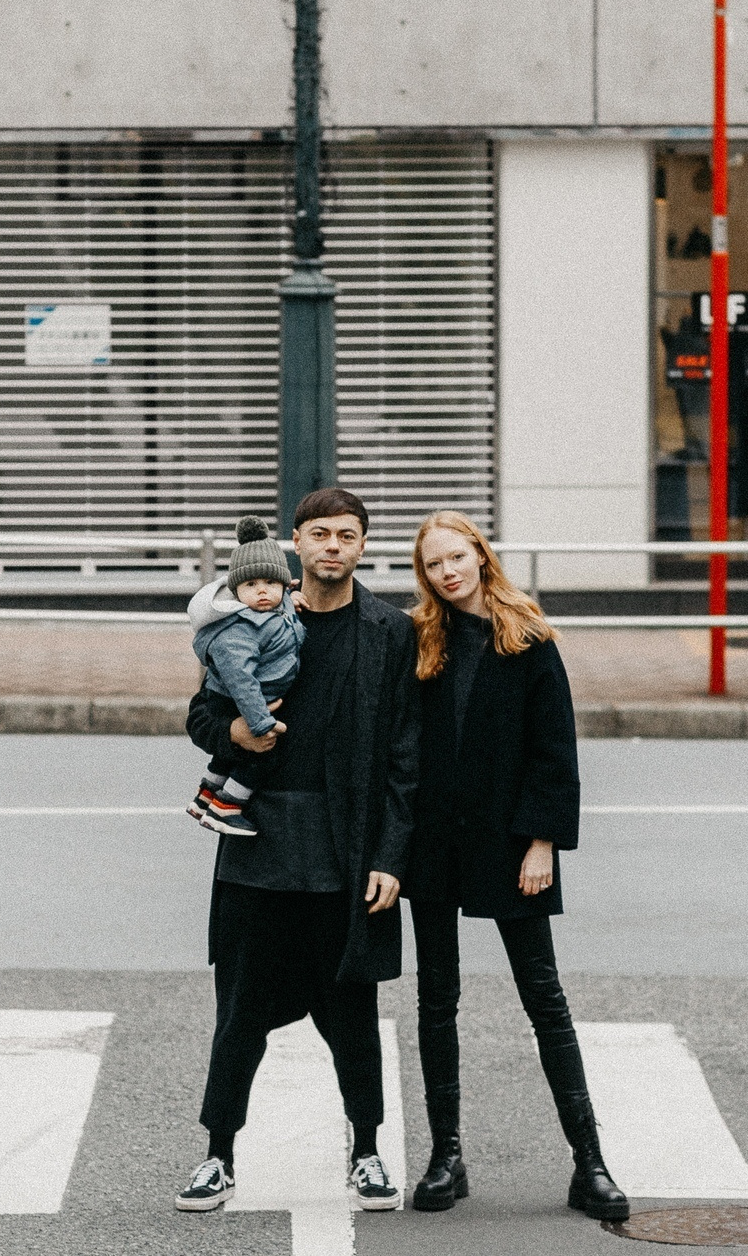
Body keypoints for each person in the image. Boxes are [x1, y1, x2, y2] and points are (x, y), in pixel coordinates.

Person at [176, 488, 418, 1216]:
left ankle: (368, 1149)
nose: (333, 546)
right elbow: (201, 712)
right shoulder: (253, 610)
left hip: (346, 853)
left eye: (347, 534)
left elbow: (407, 753)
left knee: (352, 1012)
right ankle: (217, 1155)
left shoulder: (389, 630)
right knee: (240, 1011)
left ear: (363, 545)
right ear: (296, 542)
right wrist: (235, 739)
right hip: (259, 845)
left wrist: (390, 855)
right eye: (320, 534)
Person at [404, 512, 628, 1224]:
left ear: (480, 553)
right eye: (434, 562)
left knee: (545, 999)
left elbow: (554, 749)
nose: (448, 571)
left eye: (457, 556)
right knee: (437, 999)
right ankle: (446, 1155)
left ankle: (589, 1162)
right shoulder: (420, 638)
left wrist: (543, 841)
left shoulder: (527, 636)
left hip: (510, 841)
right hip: (433, 842)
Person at [184, 517, 304, 835]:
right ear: (236, 592)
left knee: (227, 757)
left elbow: (284, 606)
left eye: (271, 583)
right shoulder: (239, 629)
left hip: (248, 698)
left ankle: (204, 796)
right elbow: (241, 681)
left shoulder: (275, 608)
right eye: (251, 585)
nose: (262, 591)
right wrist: (259, 722)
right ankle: (226, 807)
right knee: (260, 754)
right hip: (232, 700)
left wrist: (290, 597)